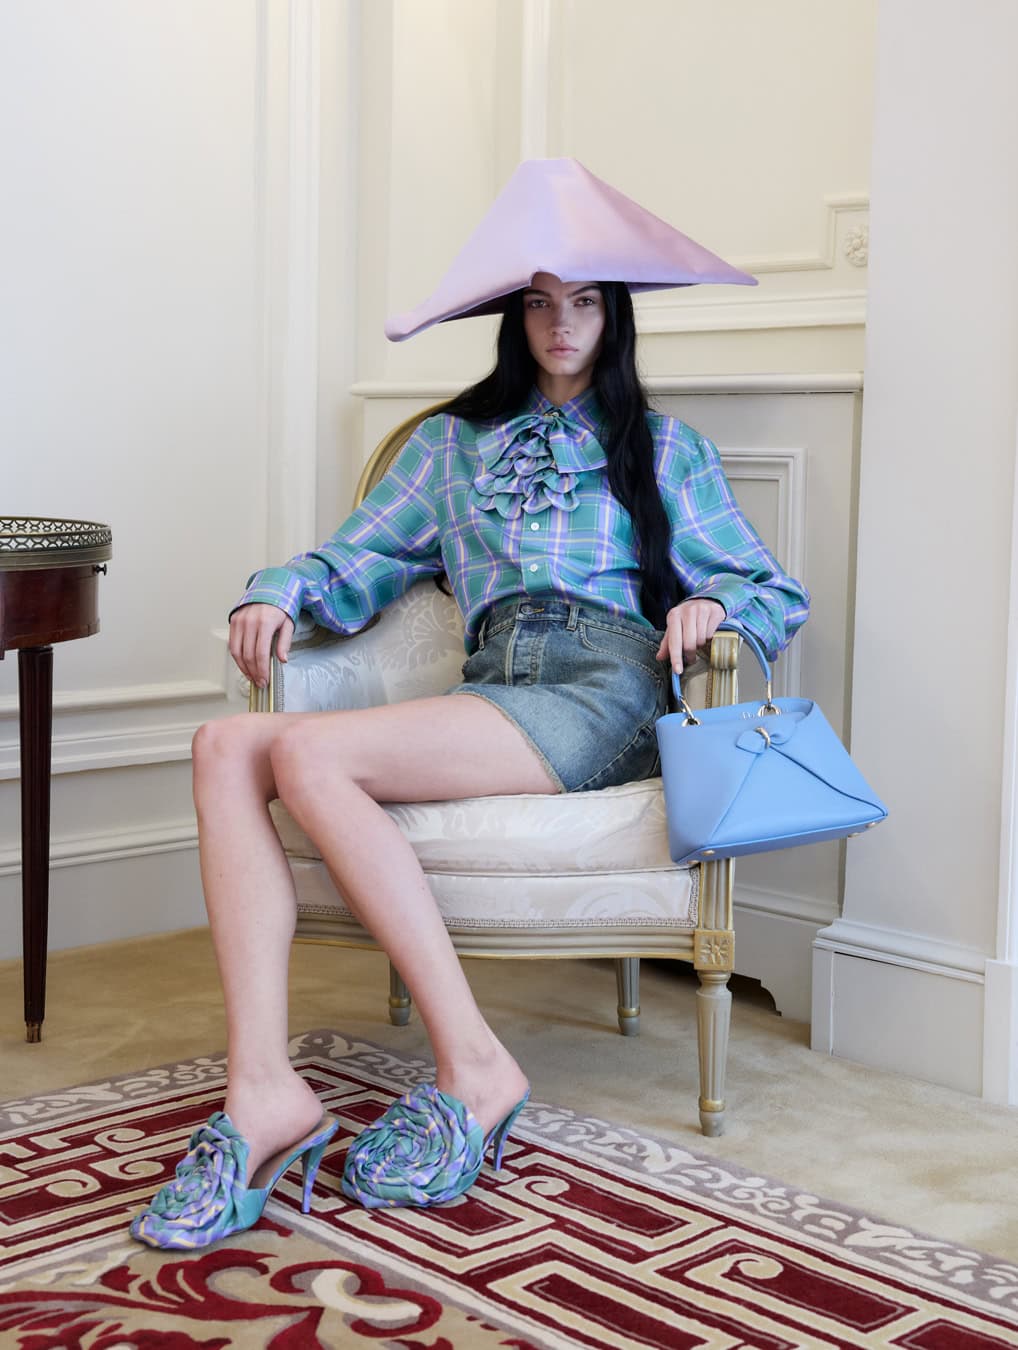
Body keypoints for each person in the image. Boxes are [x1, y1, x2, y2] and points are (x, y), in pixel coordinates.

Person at [129, 159, 808, 1247]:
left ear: (615, 315)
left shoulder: (665, 448)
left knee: (310, 757)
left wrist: (714, 606)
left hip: (605, 684)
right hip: (497, 680)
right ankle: (261, 1092)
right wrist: (277, 590)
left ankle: (475, 1066)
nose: (561, 325)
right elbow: (357, 558)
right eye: (538, 302)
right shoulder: (449, 447)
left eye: (585, 301)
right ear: (512, 316)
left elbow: (769, 587)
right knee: (223, 744)